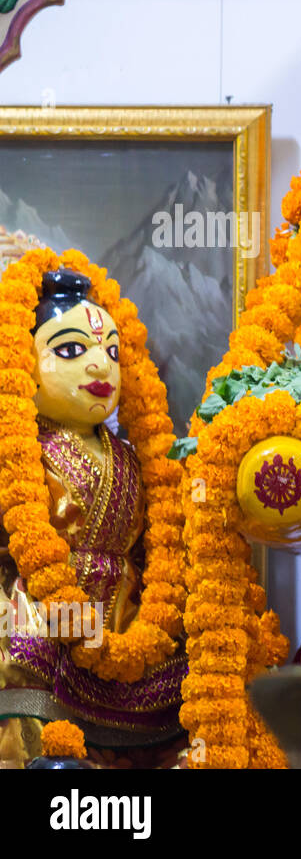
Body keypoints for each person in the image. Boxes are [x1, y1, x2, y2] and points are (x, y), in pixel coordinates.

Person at [0, 269, 183, 768]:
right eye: (69, 350)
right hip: (39, 612)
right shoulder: (16, 450)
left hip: (125, 618)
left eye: (112, 352)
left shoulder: (132, 456)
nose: (100, 364)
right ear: (22, 366)